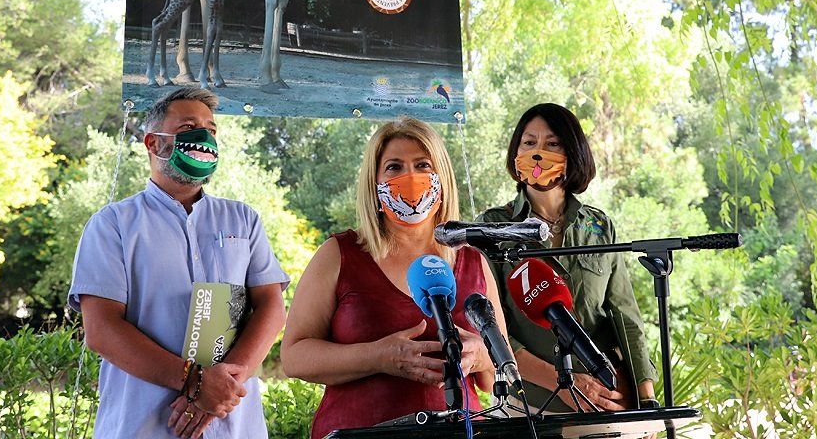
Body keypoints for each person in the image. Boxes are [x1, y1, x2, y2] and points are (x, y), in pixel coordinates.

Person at [69, 87, 288, 439]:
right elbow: (101, 329)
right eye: (188, 128)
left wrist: (221, 387)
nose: (205, 138)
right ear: (154, 143)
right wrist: (194, 381)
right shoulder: (112, 225)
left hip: (234, 427)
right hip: (144, 427)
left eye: (211, 130)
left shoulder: (244, 219)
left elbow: (272, 306)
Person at [281, 117, 509, 437]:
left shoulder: (474, 262)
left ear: (443, 177)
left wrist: (478, 354)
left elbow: (498, 366)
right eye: (394, 167)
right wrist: (379, 357)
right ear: (374, 183)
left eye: (422, 165)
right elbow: (294, 357)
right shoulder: (338, 254)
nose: (410, 177)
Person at [477, 103, 658, 412]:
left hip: (605, 402)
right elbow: (490, 328)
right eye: (529, 142)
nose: (538, 152)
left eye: (552, 144)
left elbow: (626, 316)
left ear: (572, 153)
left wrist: (646, 398)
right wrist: (561, 382)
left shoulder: (598, 226)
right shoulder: (492, 227)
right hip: (529, 407)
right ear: (515, 152)